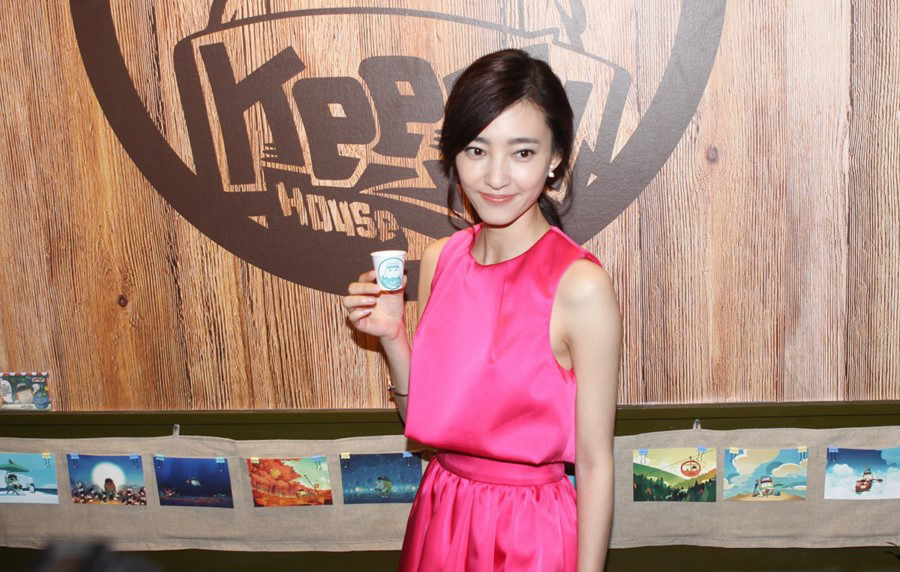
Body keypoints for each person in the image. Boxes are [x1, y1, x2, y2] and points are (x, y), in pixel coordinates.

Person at [343, 49, 621, 572]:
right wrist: (393, 337)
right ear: (454, 154)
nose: (495, 177)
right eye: (476, 149)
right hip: (441, 510)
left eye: (522, 152)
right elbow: (423, 421)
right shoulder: (440, 260)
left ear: (555, 158)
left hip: (530, 531)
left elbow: (594, 462)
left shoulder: (580, 286)